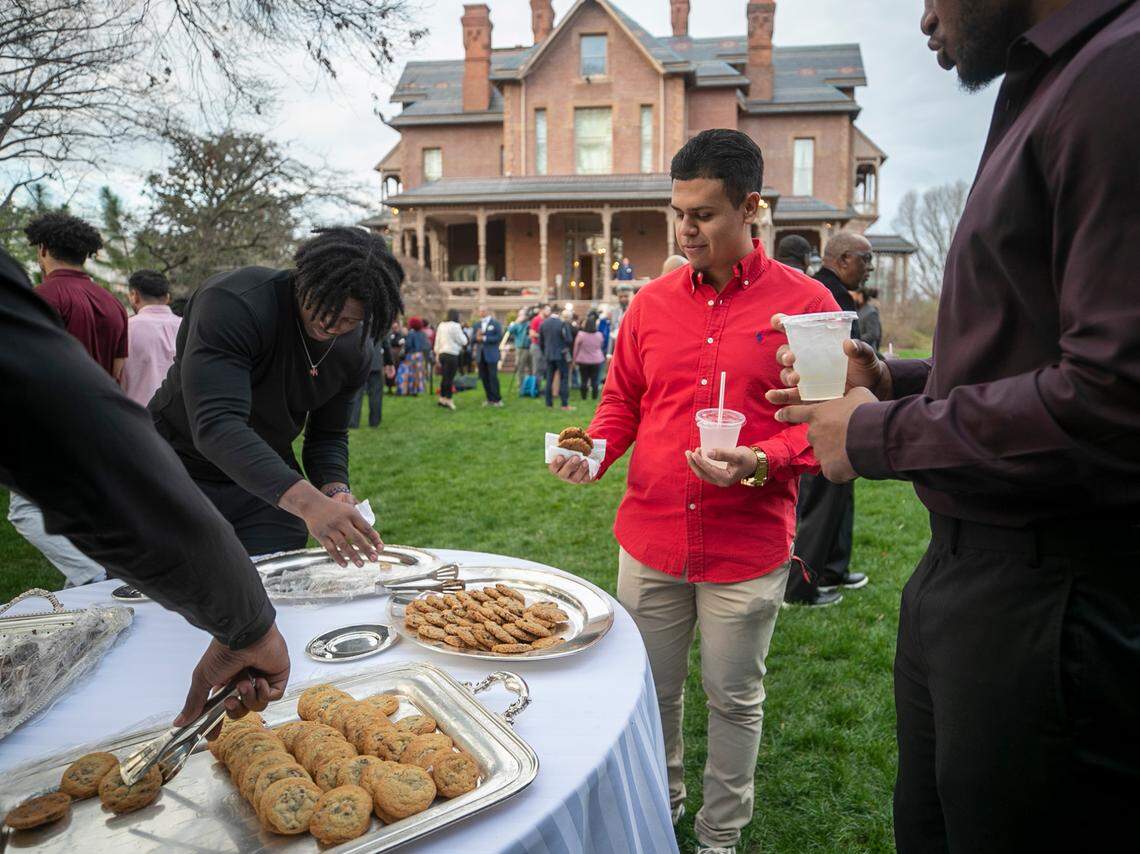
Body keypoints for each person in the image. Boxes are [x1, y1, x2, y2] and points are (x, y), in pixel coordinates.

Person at [770, 1, 1140, 850]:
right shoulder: (1053, 83)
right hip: (969, 583)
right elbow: (1027, 355)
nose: (927, 17)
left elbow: (1115, 398)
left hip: (1052, 607)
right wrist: (892, 380)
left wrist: (877, 435)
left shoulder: (1120, 74)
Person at [550, 129, 838, 854]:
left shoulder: (806, 306)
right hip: (649, 537)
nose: (685, 229)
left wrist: (759, 460)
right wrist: (597, 452)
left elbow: (829, 427)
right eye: (678, 212)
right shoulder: (649, 304)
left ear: (751, 208)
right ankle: (666, 804)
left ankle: (720, 834)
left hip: (747, 545)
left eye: (703, 214)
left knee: (734, 700)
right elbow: (620, 403)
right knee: (654, 693)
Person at [0, 247, 290, 729]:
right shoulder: (116, 309)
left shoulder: (69, 303)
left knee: (31, 514)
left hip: (137, 443)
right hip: (133, 448)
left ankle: (97, 580)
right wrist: (248, 622)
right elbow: (80, 425)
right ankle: (96, 580)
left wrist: (246, 623)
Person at [150, 227, 399, 564]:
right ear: (305, 277)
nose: (330, 323)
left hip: (264, 479)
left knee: (278, 586)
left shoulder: (355, 349)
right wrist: (310, 504)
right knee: (169, 594)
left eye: (348, 320)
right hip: (174, 466)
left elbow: (327, 435)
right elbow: (216, 424)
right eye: (323, 304)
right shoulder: (234, 302)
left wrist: (335, 491)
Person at [7, 212, 128, 588]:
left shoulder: (41, 297)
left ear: (43, 250)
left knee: (24, 510)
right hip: (101, 418)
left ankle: (91, 575)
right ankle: (89, 590)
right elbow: (118, 370)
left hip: (49, 419)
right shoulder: (113, 303)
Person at [784, 230, 874, 606]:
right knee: (821, 499)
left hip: (842, 411)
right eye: (864, 260)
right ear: (842, 260)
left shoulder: (835, 291)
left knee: (840, 491)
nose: (869, 269)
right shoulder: (822, 295)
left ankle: (833, 569)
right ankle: (800, 587)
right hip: (825, 414)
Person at [119, 269, 182, 407]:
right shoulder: (186, 326)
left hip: (136, 416)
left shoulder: (126, 328)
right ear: (167, 297)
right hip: (181, 420)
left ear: (134, 296)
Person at [348, 335, 395, 429]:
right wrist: (389, 362)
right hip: (375, 361)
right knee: (376, 394)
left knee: (357, 394)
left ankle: (353, 422)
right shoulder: (380, 323)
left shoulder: (359, 321)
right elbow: (386, 344)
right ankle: (375, 422)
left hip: (360, 362)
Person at [540, 308, 574, 411]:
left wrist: (545, 352)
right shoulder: (562, 323)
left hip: (548, 355)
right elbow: (569, 339)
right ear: (559, 313)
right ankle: (564, 404)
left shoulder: (544, 323)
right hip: (561, 354)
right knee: (564, 378)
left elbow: (541, 341)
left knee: (549, 379)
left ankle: (548, 404)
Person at [434, 308, 467, 410]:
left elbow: (437, 341)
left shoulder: (441, 325)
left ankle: (442, 398)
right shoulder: (456, 326)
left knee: (444, 377)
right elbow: (463, 341)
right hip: (452, 354)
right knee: (450, 378)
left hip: (442, 354)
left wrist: (437, 354)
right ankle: (449, 399)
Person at [474, 305, 504, 407]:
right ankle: (489, 398)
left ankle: (497, 399)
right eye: (480, 311)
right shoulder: (477, 324)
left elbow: (499, 336)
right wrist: (476, 337)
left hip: (491, 354)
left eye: (483, 311)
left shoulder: (495, 323)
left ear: (487, 311)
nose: (481, 313)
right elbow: (473, 338)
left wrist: (485, 338)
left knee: (493, 376)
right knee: (484, 377)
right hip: (480, 354)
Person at [572, 314, 605, 400]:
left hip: (583, 360)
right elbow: (600, 345)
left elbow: (576, 348)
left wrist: (574, 359)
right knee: (595, 380)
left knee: (584, 379)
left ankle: (584, 397)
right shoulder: (599, 335)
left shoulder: (581, 335)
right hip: (596, 360)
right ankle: (594, 397)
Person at [395, 316, 429, 396]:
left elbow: (408, 345)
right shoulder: (423, 334)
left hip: (411, 355)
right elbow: (426, 345)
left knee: (405, 372)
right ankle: (415, 390)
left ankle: (404, 390)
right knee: (417, 373)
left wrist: (404, 350)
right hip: (420, 355)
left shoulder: (411, 334)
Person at [506, 308, 535, 382]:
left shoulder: (529, 323)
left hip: (530, 347)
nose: (521, 316)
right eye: (520, 315)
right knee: (520, 367)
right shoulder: (516, 324)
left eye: (523, 314)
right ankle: (521, 385)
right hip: (521, 348)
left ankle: (531, 385)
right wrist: (516, 322)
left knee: (531, 367)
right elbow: (509, 330)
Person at [853, 286, 882, 355]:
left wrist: (855, 340)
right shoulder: (857, 310)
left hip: (867, 353)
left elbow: (873, 334)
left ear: (860, 296)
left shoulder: (871, 312)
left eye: (854, 295)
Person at [529, 304, 552, 390]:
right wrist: (542, 335)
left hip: (545, 347)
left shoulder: (547, 320)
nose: (549, 312)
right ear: (542, 310)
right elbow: (531, 333)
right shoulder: (536, 320)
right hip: (536, 346)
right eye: (548, 310)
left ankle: (544, 388)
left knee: (544, 368)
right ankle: (535, 389)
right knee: (537, 368)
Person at [385, 321, 404, 394]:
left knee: (397, 370)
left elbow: (399, 343)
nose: (394, 329)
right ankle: (389, 387)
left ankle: (397, 388)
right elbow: (389, 342)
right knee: (389, 371)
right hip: (390, 354)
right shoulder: (389, 334)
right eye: (393, 327)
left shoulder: (400, 335)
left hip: (397, 355)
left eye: (396, 327)